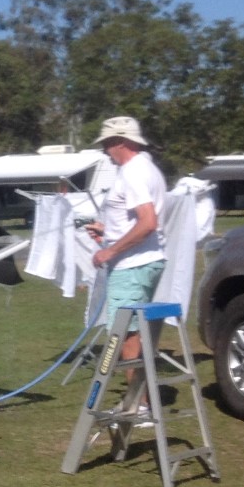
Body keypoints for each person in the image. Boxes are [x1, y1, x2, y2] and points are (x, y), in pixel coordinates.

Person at [84, 115, 167, 390]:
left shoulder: (133, 172)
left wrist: (110, 251)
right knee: (133, 334)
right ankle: (141, 400)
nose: (105, 150)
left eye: (107, 143)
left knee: (125, 336)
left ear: (121, 142)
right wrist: (107, 231)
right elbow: (137, 221)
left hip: (132, 266)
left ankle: (138, 404)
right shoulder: (147, 168)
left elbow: (148, 222)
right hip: (145, 261)